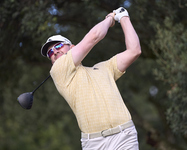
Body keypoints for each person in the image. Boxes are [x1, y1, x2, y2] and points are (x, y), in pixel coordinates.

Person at [41, 7, 141, 150]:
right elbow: (94, 36)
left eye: (58, 45)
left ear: (73, 47)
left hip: (124, 135)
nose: (55, 51)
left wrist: (124, 18)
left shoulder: (103, 68)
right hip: (94, 143)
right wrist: (111, 18)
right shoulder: (58, 70)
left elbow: (134, 51)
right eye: (50, 52)